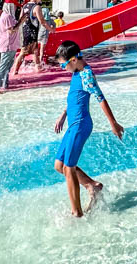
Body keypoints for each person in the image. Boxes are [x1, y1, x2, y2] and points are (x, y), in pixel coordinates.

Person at [52, 40, 124, 217]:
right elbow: (73, 97)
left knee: (69, 168)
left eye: (63, 65)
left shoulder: (86, 74)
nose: (63, 68)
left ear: (74, 60)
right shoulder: (76, 71)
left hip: (81, 124)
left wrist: (113, 123)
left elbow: (101, 98)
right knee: (59, 165)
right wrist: (63, 115)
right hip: (72, 124)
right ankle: (92, 185)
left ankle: (77, 213)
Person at [13, 0, 47, 74]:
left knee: (35, 51)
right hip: (30, 32)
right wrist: (50, 28)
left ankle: (38, 67)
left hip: (26, 31)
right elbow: (42, 21)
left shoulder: (25, 6)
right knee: (23, 52)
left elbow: (21, 18)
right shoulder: (36, 7)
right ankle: (15, 71)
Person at [0, 0, 21, 93]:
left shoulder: (8, 16)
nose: (16, 8)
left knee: (8, 65)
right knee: (3, 66)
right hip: (7, 45)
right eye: (15, 6)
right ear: (10, 6)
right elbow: (11, 30)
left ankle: (5, 84)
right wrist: (21, 21)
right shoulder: (7, 16)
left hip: (10, 45)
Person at [34, 0, 57, 68]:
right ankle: (40, 62)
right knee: (41, 50)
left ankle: (36, 62)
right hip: (44, 35)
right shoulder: (49, 20)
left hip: (39, 34)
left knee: (36, 49)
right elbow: (54, 24)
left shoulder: (40, 19)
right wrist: (52, 29)